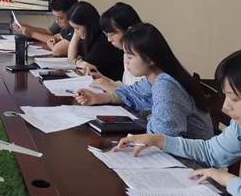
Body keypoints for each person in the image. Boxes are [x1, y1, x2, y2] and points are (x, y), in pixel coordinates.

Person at [115, 49, 241, 196]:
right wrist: (158, 140)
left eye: (234, 98)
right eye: (226, 96)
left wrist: (226, 179)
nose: (225, 107)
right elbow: (210, 152)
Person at [76, 23, 213, 139]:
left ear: (150, 58)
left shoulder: (166, 86)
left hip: (189, 159)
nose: (126, 62)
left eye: (130, 57)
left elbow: (162, 135)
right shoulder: (155, 77)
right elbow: (131, 94)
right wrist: (98, 98)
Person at [50, 1, 124, 81]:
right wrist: (76, 32)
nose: (76, 32)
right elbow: (71, 58)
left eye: (77, 28)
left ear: (88, 25)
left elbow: (85, 67)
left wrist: (76, 61)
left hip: (113, 84)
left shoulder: (102, 40)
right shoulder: (86, 38)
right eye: (73, 28)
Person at [90, 2, 144, 91]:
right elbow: (127, 86)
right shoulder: (126, 52)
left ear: (129, 31)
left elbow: (138, 94)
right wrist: (104, 79)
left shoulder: (143, 57)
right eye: (107, 35)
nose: (109, 39)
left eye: (112, 34)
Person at [11, 0, 77, 43]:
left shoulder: (72, 23)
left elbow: (56, 42)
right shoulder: (59, 19)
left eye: (55, 0)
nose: (52, 3)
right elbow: (49, 32)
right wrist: (24, 27)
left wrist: (31, 33)